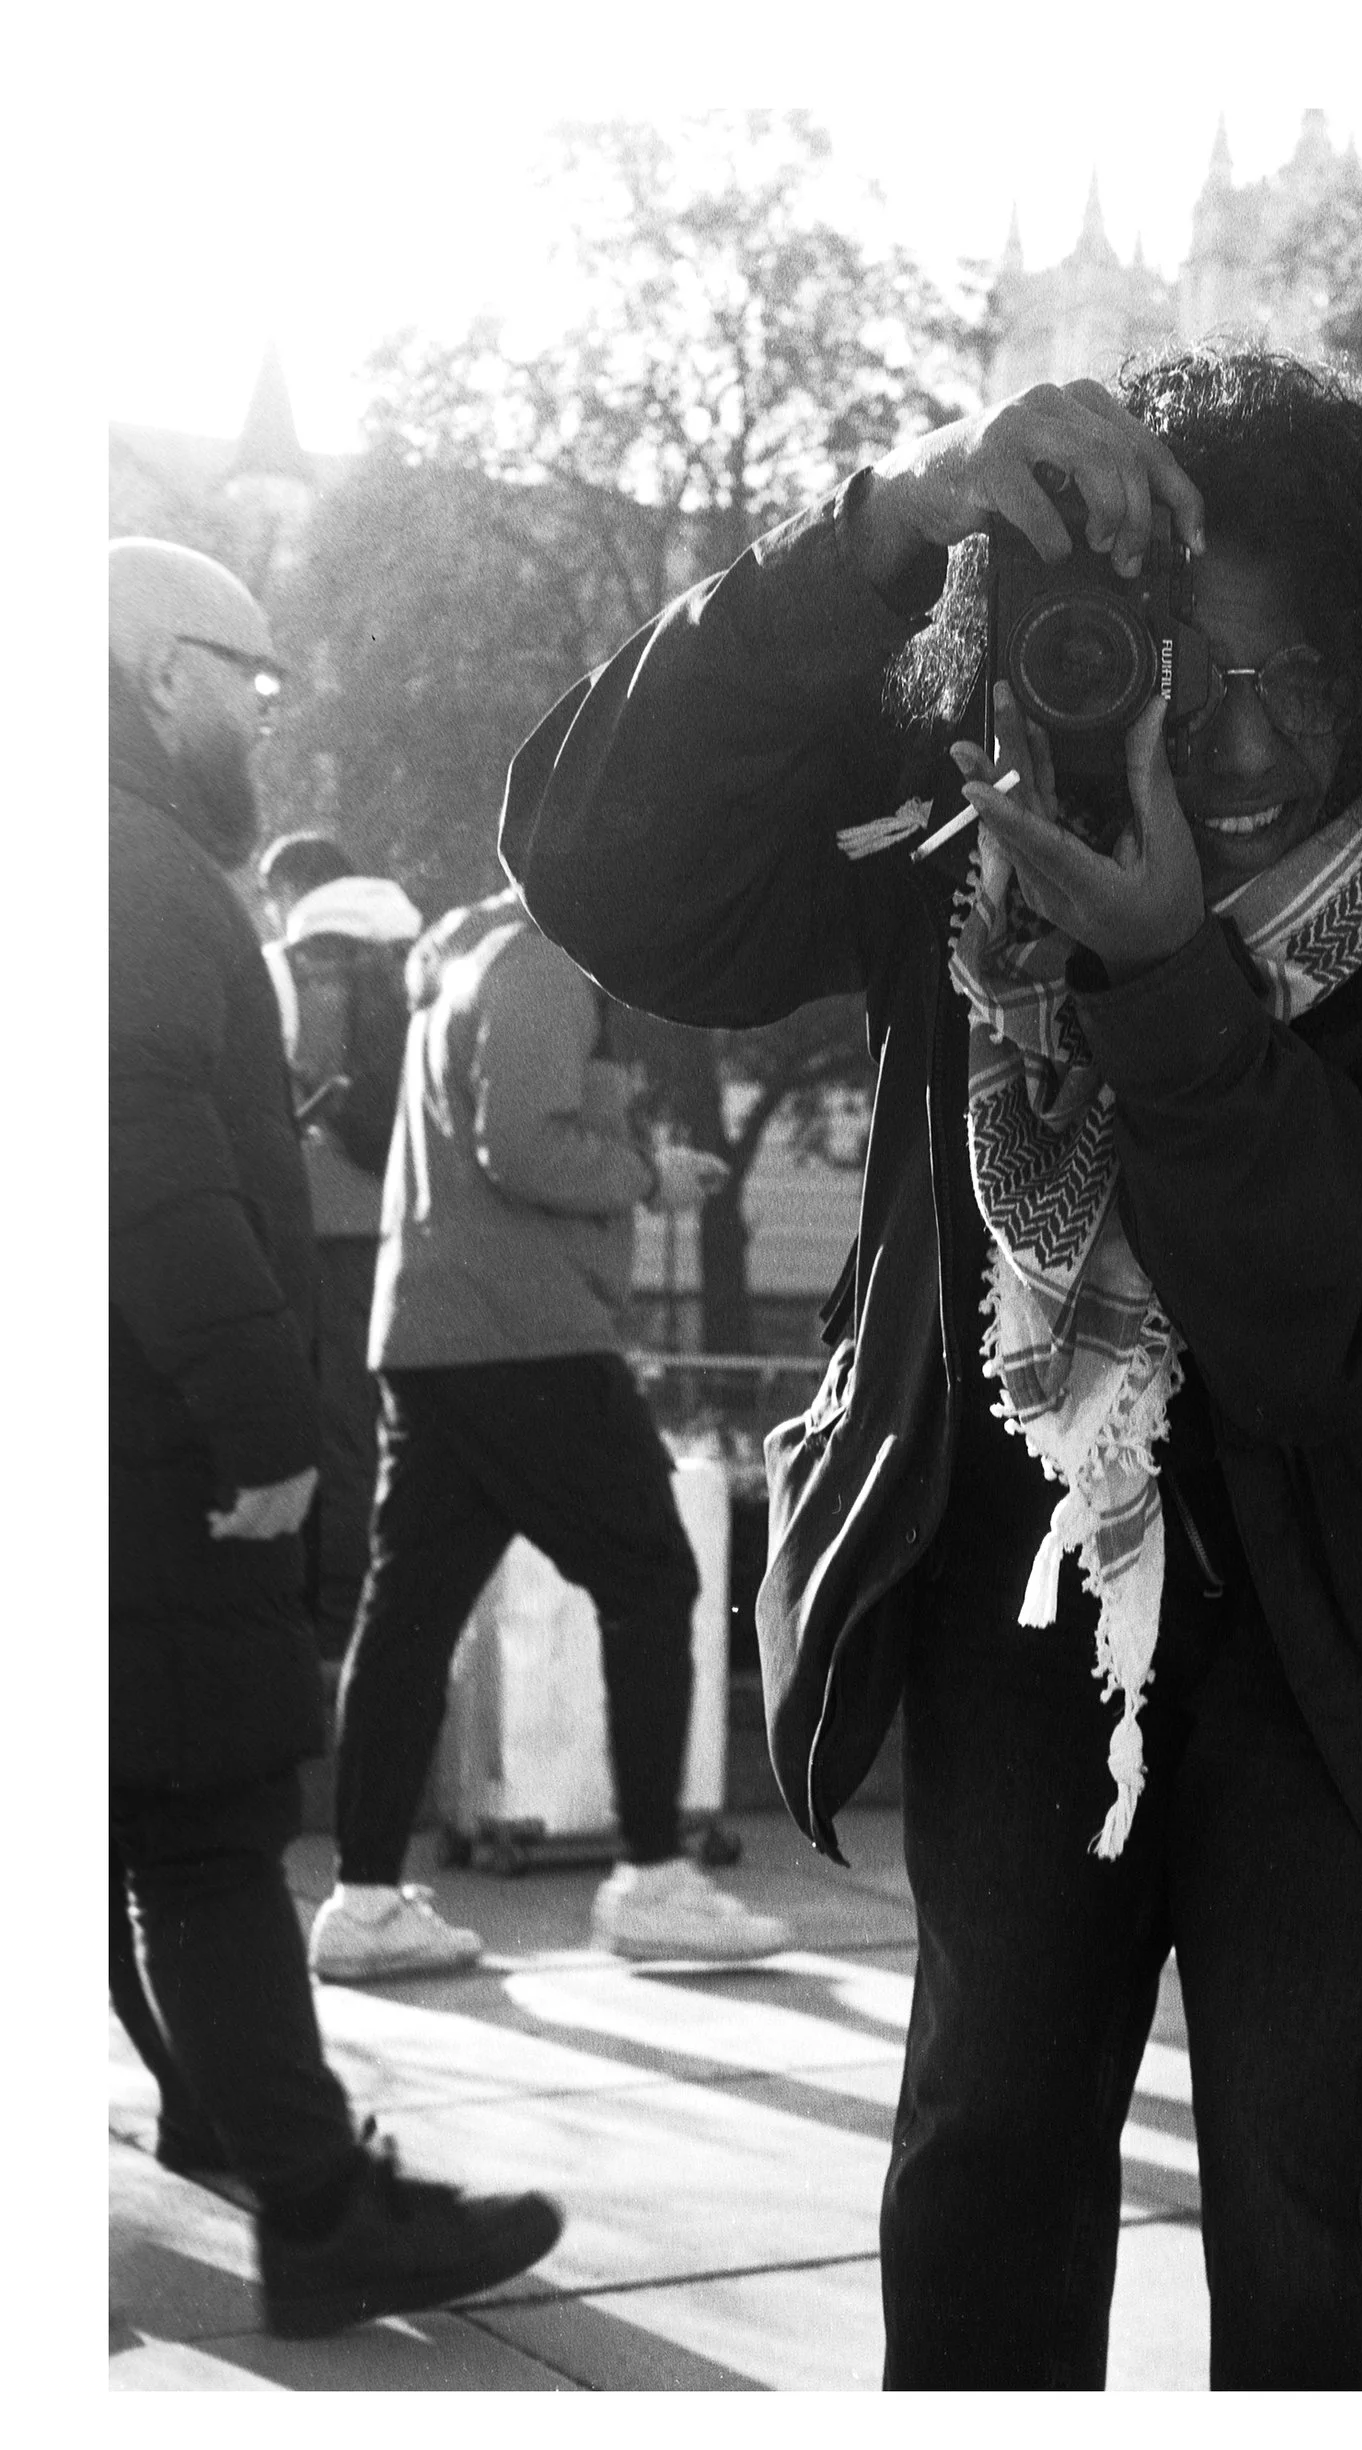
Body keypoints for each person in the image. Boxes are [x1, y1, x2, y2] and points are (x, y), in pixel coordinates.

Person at [499, 351, 1362, 2388]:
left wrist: (1168, 974)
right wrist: (880, 523)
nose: (1245, 745)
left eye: (1308, 682)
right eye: (1184, 674)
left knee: (1316, 2179)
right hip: (1018, 1576)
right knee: (987, 2148)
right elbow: (596, 863)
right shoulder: (976, 807)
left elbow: (1351, 1317)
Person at [109, 537, 564, 2335]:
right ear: (165, 672)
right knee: (207, 1825)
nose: (265, 715)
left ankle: (231, 2132)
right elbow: (152, 1167)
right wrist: (263, 1426)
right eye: (252, 678)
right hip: (152, 1450)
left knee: (141, 1818)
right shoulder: (136, 870)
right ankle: (314, 2210)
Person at [305, 879, 793, 1980]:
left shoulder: (468, 963)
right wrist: (647, 1176)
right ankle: (652, 1878)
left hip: (433, 1336)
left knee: (409, 1617)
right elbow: (521, 1145)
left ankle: (364, 1900)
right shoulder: (544, 964)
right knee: (653, 1579)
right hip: (528, 1336)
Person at [255, 828, 425, 1664]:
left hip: (308, 1231)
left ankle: (322, 1631)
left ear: (290, 891)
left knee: (309, 1431)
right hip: (406, 1225)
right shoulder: (418, 955)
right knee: (374, 1434)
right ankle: (365, 1624)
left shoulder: (285, 968)